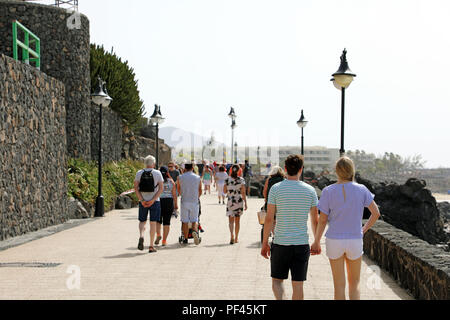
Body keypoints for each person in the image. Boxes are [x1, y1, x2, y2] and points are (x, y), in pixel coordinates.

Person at [311, 157, 381, 300]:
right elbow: (376, 213)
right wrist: (364, 229)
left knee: (339, 285)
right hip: (355, 239)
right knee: (354, 284)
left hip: (334, 240)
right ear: (351, 170)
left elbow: (323, 220)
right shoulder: (362, 189)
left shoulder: (328, 191)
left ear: (336, 171)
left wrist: (316, 241)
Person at [261, 155, 320, 300]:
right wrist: (316, 242)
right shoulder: (310, 191)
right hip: (301, 244)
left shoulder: (275, 189)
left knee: (277, 281)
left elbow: (269, 219)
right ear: (301, 169)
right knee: (298, 285)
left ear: (285, 169)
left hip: (281, 243)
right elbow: (315, 221)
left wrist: (264, 243)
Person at [134, 155, 164, 253]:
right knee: (153, 223)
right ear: (153, 164)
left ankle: (141, 236)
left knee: (142, 221)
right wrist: (153, 199)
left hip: (143, 201)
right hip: (155, 202)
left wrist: (142, 200)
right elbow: (161, 188)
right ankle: (151, 246)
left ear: (145, 163)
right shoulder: (157, 173)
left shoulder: (139, 173)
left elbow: (136, 188)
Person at [177, 163, 202, 245]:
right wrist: (197, 197)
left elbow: (179, 189)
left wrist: (182, 195)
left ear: (185, 168)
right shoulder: (197, 177)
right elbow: (200, 190)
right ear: (192, 168)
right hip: (194, 201)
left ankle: (185, 238)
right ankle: (195, 232)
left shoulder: (180, 177)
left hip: (184, 201)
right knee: (194, 220)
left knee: (185, 221)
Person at [224, 164, 248, 244]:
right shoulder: (241, 180)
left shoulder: (227, 179)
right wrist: (246, 203)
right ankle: (236, 237)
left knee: (231, 221)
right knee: (237, 221)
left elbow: (224, 191)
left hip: (230, 201)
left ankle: (231, 235)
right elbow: (243, 192)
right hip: (239, 201)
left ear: (230, 170)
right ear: (239, 171)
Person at [155, 166, 178, 247]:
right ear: (167, 172)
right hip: (168, 201)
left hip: (159, 201)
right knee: (167, 222)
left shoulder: (157, 181)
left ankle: (158, 235)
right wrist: (176, 205)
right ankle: (164, 241)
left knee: (158, 220)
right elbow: (174, 195)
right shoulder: (171, 182)